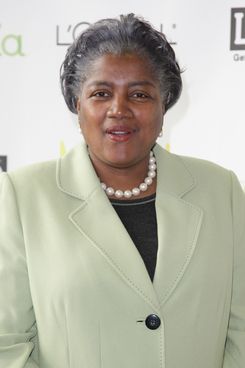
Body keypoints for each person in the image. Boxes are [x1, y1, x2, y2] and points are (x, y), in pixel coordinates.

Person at [0, 13, 244, 368]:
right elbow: (6, 344)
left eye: (140, 94)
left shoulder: (221, 192)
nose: (119, 109)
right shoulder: (22, 197)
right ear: (77, 105)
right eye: (101, 93)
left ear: (164, 106)